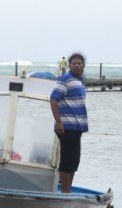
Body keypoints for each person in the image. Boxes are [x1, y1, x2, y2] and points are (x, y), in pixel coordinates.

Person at [50, 52, 88, 193]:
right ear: (69, 65)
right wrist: (58, 122)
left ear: (83, 65)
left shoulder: (81, 80)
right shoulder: (65, 79)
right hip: (66, 126)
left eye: (79, 63)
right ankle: (65, 192)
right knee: (67, 161)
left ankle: (68, 190)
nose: (77, 65)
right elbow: (53, 99)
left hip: (77, 126)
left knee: (74, 161)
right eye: (74, 63)